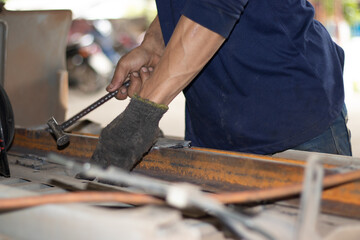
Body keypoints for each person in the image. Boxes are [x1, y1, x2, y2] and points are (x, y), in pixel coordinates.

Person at [90, 0, 352, 170]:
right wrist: (154, 43)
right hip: (216, 124)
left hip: (291, 112)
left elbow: (215, 6)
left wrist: (142, 113)